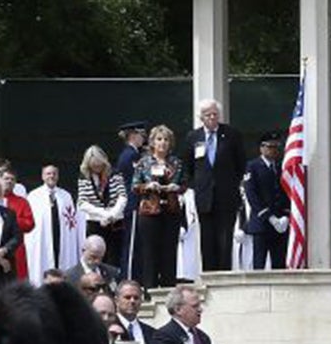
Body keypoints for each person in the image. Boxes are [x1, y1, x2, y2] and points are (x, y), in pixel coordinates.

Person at [184, 99, 243, 274]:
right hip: (204, 198)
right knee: (207, 240)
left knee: (224, 240)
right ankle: (209, 276)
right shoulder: (193, 137)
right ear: (201, 117)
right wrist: (199, 186)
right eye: (208, 115)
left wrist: (230, 184)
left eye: (215, 114)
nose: (212, 117)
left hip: (226, 197)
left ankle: (224, 276)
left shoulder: (231, 135)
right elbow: (189, 168)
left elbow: (240, 164)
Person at [130, 124, 186, 287]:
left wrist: (177, 188)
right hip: (149, 211)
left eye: (166, 140)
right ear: (152, 142)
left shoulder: (176, 162)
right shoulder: (143, 162)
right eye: (159, 139)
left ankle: (169, 289)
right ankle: (150, 290)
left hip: (171, 210)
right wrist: (147, 186)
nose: (162, 143)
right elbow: (134, 185)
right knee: (150, 253)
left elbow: (184, 183)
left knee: (169, 252)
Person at [24, 162, 80, 283]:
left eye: (54, 173)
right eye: (48, 173)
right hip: (42, 240)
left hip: (61, 237)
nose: (51, 176)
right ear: (43, 176)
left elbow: (71, 222)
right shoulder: (34, 196)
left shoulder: (66, 196)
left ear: (58, 176)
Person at [242, 132, 290, 270]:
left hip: (280, 223)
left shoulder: (281, 167)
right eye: (270, 147)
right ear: (261, 148)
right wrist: (269, 217)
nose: (274, 150)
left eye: (276, 147)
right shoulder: (252, 166)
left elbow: (286, 192)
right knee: (259, 263)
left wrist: (286, 215)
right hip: (262, 222)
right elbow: (252, 195)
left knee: (279, 263)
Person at [77, 145, 129, 267]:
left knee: (114, 258)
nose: (97, 168)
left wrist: (112, 214)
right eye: (94, 166)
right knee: (95, 257)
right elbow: (82, 202)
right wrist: (103, 214)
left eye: (99, 165)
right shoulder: (84, 176)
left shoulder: (115, 174)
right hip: (95, 222)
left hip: (115, 222)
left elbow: (122, 197)